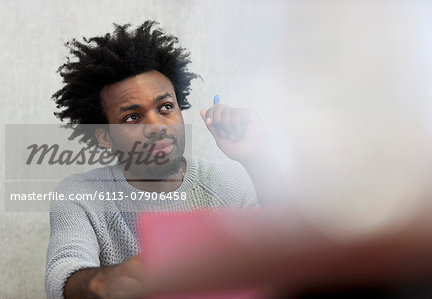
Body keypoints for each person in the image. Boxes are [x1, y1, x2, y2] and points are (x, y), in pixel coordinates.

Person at [45, 20, 268, 299]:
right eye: (132, 117)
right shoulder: (80, 194)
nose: (157, 126)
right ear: (104, 136)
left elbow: (286, 255)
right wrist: (104, 282)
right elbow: (61, 275)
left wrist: (257, 158)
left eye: (165, 107)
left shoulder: (229, 183)